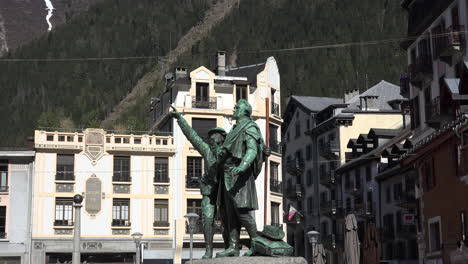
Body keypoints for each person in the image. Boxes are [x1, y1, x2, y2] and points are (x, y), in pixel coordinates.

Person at [170, 107, 227, 259]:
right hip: (209, 192)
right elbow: (192, 135)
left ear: (222, 140)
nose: (211, 141)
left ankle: (230, 247)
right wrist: (180, 119)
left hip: (226, 192)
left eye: (214, 139)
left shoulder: (229, 152)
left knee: (228, 220)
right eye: (210, 140)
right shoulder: (207, 151)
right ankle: (208, 249)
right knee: (207, 219)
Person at [216, 99, 267, 257]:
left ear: (245, 111)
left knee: (242, 212)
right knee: (230, 213)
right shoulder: (234, 129)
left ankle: (256, 243)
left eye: (237, 107)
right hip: (228, 174)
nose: (234, 108)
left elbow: (252, 150)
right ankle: (233, 246)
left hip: (240, 175)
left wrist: (243, 166)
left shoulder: (249, 127)